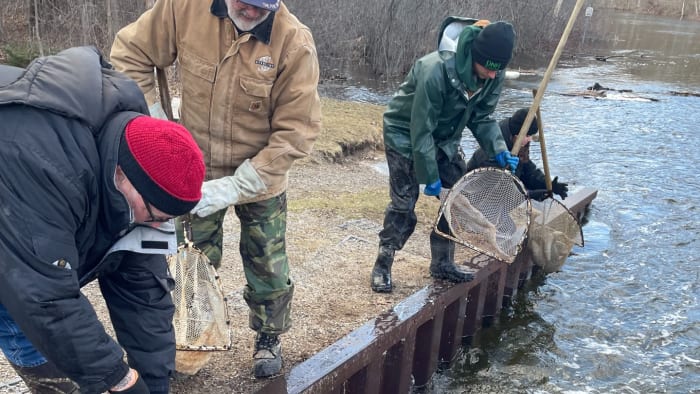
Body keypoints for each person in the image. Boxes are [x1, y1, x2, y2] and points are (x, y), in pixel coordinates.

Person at [110, 0, 321, 378]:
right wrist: (153, 118)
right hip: (194, 169)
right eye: (245, 2)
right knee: (187, 264)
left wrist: (237, 186)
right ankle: (187, 337)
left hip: (260, 176)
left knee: (267, 264)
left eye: (263, 5)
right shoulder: (183, 8)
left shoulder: (294, 43)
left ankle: (269, 337)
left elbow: (297, 133)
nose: (253, 12)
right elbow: (130, 52)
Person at [0, 46, 206, 394]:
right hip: (14, 204)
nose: (157, 225)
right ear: (122, 175)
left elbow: (143, 292)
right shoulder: (39, 161)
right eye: (155, 215)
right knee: (19, 313)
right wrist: (118, 381)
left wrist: (154, 385)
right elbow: (45, 295)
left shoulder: (139, 161)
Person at [370, 17, 520, 293]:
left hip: (445, 139)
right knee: (403, 204)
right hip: (405, 134)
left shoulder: (493, 74)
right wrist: (429, 177)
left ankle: (442, 263)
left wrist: (498, 149)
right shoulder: (435, 70)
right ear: (475, 55)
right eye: (488, 68)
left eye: (497, 71)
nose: (491, 75)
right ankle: (383, 263)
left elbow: (483, 117)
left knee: (456, 199)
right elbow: (421, 129)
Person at [466, 108, 569, 201]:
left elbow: (528, 171)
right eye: (528, 136)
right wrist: (529, 194)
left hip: (504, 194)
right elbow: (496, 190)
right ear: (517, 135)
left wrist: (548, 185)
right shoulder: (492, 152)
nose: (530, 139)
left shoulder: (520, 144)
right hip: (476, 197)